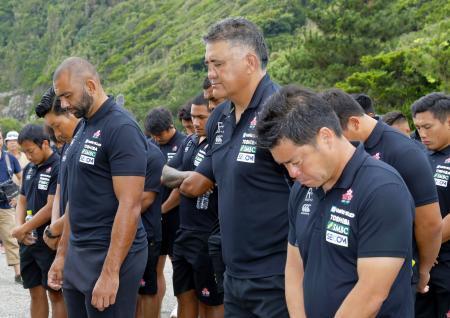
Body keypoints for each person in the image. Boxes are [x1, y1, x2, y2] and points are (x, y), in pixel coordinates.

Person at [257, 85, 414, 317]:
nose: (292, 173)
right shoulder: (303, 189)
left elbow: (371, 294)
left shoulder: (382, 190)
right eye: (285, 165)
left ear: (326, 137)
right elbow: (294, 267)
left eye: (296, 161)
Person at [178, 17, 291, 317]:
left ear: (250, 62)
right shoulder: (220, 119)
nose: (210, 74)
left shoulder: (282, 112)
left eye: (218, 64)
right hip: (233, 273)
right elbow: (209, 178)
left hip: (276, 277)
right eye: (207, 64)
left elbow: (311, 195)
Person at [48, 57, 148, 317]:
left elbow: (130, 205)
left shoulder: (121, 128)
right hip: (78, 254)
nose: (64, 104)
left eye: (68, 95)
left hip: (109, 255)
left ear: (91, 86)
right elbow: (76, 200)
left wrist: (110, 273)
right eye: (61, 98)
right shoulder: (83, 126)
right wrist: (62, 255)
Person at [322, 88, 442, 295]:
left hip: (393, 272)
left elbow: (430, 223)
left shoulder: (403, 152)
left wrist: (423, 270)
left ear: (355, 123)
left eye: (338, 137)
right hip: (347, 266)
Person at [161, 93, 223, 318]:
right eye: (193, 117)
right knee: (184, 296)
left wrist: (187, 181)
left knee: (211, 302)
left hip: (207, 234)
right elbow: (165, 174)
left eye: (202, 117)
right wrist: (192, 176)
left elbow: (192, 188)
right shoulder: (188, 142)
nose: (196, 123)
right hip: (183, 232)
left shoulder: (219, 144)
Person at [12, 124, 66, 318]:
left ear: (44, 144)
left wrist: (24, 228)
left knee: (56, 294)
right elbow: (22, 200)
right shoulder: (29, 169)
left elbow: (52, 206)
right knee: (35, 292)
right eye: (24, 152)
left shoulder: (59, 166)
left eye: (30, 151)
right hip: (28, 240)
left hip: (49, 240)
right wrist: (20, 228)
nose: (28, 156)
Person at [144, 106, 185, 317]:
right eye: (153, 135)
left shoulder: (184, 144)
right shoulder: (150, 146)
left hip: (175, 216)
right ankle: (155, 310)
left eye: (160, 134)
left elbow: (182, 186)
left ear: (171, 127)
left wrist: (162, 209)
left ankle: (180, 307)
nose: (157, 138)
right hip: (154, 220)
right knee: (155, 269)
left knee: (178, 269)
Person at [412, 92, 450, 317]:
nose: (422, 134)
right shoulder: (420, 155)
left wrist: (429, 245)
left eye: (428, 126)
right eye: (417, 127)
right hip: (423, 265)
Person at [34, 87, 81, 251]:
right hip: (65, 236)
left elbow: (84, 200)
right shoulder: (67, 147)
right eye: (52, 129)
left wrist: (56, 228)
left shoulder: (89, 144)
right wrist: (55, 227)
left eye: (58, 126)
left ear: (71, 111)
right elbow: (60, 190)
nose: (57, 134)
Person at [136, 140, 165, 318]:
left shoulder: (153, 156)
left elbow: (145, 200)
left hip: (147, 233)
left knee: (147, 289)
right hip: (122, 231)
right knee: (129, 291)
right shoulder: (123, 152)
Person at [0, 128, 22, 283]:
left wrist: (18, 196)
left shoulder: (10, 159)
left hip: (6, 205)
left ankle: (18, 273)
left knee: (12, 238)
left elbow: (22, 178)